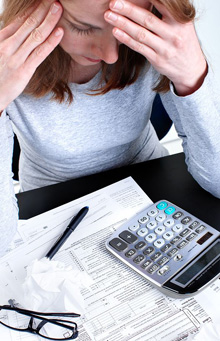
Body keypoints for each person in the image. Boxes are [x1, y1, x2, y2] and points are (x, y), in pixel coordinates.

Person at [0, 0, 219, 256]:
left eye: (127, 26)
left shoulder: (160, 34)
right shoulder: (8, 57)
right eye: (83, 28)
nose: (111, 55)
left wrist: (193, 76)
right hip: (51, 205)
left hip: (151, 185)